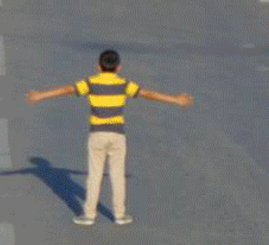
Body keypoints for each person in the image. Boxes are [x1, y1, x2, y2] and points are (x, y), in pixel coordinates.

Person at [26, 49, 193, 226]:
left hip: (97, 134)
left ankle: (89, 215)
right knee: (118, 175)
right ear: (119, 67)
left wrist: (40, 95)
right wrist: (176, 100)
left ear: (98, 66)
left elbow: (68, 90)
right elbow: (147, 94)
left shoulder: (91, 82)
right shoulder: (123, 84)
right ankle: (120, 215)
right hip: (117, 135)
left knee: (94, 175)